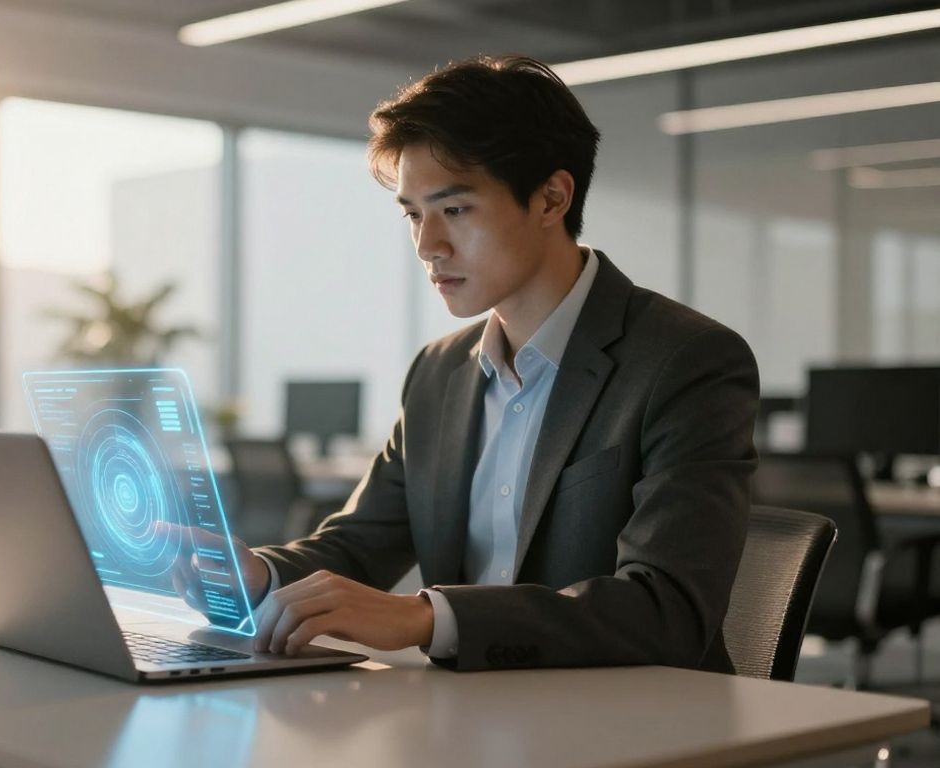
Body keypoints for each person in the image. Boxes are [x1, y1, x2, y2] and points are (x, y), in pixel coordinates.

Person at [181, 54, 759, 672]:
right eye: (413, 213)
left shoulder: (686, 361)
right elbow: (361, 542)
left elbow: (666, 610)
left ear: (550, 199)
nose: (427, 245)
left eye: (454, 210)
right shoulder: (438, 372)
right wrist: (260, 573)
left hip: (636, 725)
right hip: (467, 716)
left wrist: (427, 618)